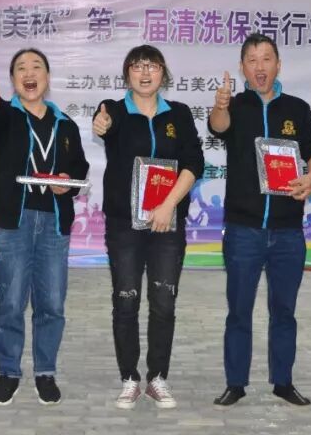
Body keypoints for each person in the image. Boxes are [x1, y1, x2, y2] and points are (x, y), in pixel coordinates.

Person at [207, 33, 311, 407]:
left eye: (267, 59)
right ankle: (236, 383)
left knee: (284, 312)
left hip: (288, 230)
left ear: (278, 64)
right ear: (243, 68)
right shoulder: (235, 106)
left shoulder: (297, 108)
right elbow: (218, 126)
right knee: (239, 311)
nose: (260, 67)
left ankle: (283, 382)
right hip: (243, 230)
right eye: (252, 60)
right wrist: (221, 105)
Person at [92, 45, 205, 409]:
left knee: (163, 302)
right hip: (125, 225)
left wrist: (168, 205)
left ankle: (157, 377)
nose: (145, 73)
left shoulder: (180, 114)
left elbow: (194, 163)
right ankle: (129, 377)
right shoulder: (114, 110)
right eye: (137, 66)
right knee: (126, 300)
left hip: (167, 223)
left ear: (163, 73)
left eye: (152, 66)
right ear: (127, 73)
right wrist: (100, 124)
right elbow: (102, 124)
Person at [0, 48, 90, 406]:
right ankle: (8, 371)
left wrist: (67, 181)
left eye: (36, 67)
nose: (29, 74)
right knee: (11, 301)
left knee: (52, 303)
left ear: (48, 77)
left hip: (54, 223)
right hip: (14, 221)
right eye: (21, 69)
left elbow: (80, 167)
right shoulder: (5, 116)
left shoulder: (65, 124)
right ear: (13, 80)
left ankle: (46, 371)